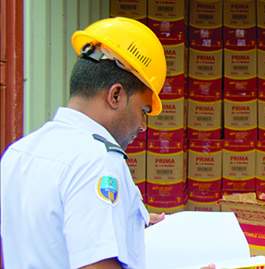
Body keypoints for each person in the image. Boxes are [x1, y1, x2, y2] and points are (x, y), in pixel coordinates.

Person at [0, 17, 168, 268]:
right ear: (116, 95)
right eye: (143, 110)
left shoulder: (18, 153)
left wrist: (128, 222)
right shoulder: (97, 160)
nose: (143, 125)